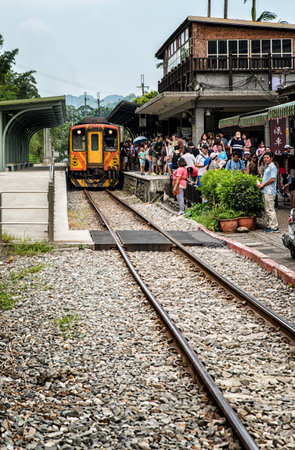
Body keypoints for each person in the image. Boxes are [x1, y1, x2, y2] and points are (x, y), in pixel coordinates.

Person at [257, 151, 279, 232]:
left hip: (270, 191)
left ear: (271, 158)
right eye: (264, 158)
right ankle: (270, 225)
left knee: (270, 209)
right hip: (265, 190)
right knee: (267, 209)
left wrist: (263, 184)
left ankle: (274, 227)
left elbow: (272, 179)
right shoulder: (268, 167)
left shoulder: (273, 167)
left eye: (267, 157)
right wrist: (261, 184)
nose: (265, 159)